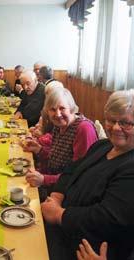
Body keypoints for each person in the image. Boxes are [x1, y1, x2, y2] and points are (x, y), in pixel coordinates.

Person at [42, 89, 134, 260]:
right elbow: (71, 170)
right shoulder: (103, 146)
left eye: (126, 123)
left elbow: (105, 217)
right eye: (111, 120)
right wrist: (56, 197)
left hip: (86, 246)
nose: (115, 128)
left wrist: (58, 214)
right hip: (63, 223)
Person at [24, 88, 98, 194]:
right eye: (53, 109)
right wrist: (39, 150)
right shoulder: (59, 125)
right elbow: (59, 159)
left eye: (62, 108)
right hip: (55, 183)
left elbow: (80, 175)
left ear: (71, 108)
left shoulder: (83, 128)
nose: (58, 114)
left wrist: (44, 179)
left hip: (68, 192)